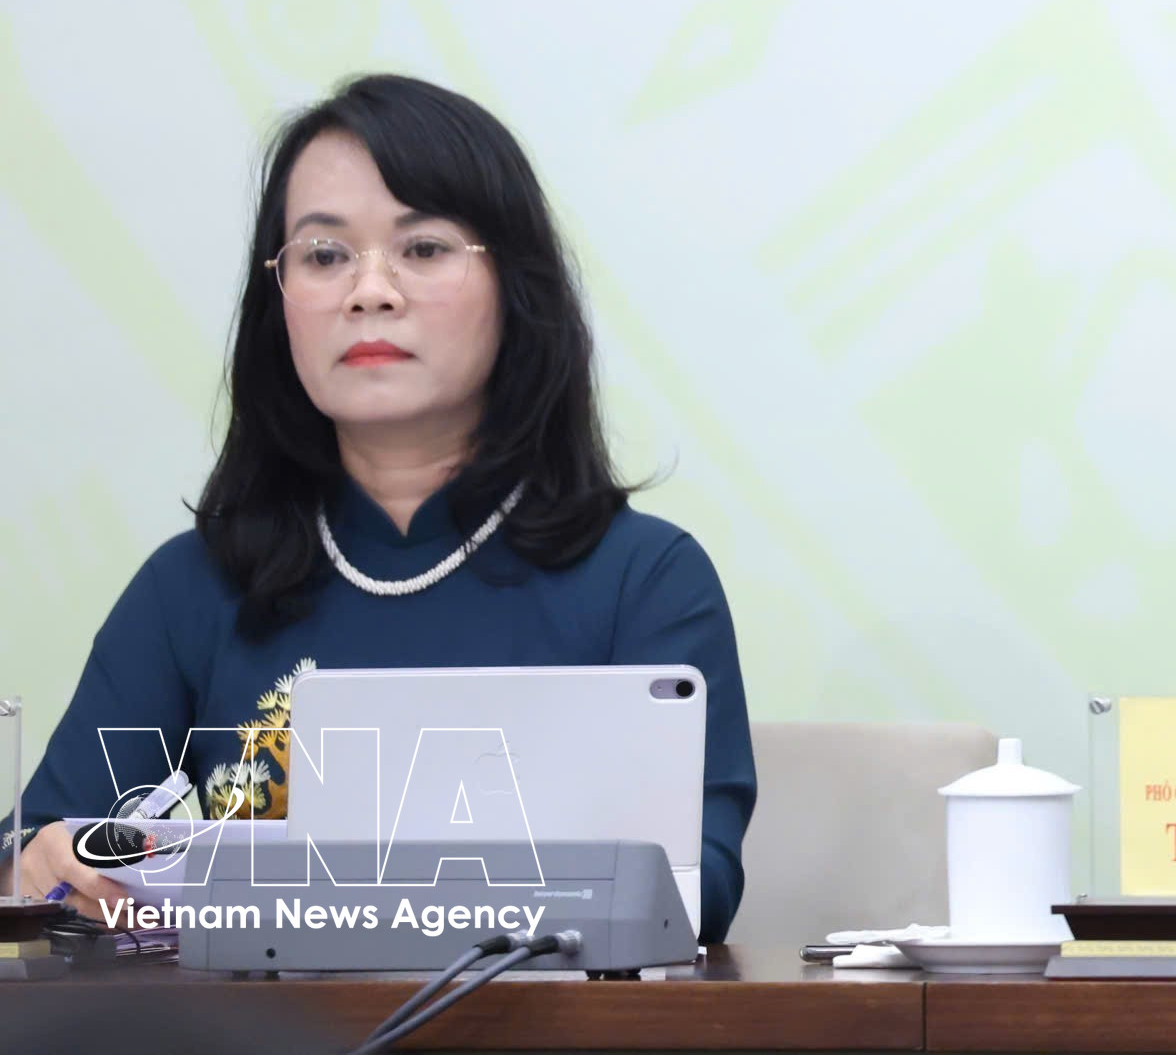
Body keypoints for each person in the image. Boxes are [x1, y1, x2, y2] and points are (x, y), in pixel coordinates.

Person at [7, 76, 756, 937]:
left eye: (424, 248)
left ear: (516, 284)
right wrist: (44, 862)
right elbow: (40, 851)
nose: (370, 290)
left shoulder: (643, 582)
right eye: (324, 255)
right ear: (278, 300)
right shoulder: (193, 587)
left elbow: (695, 888)